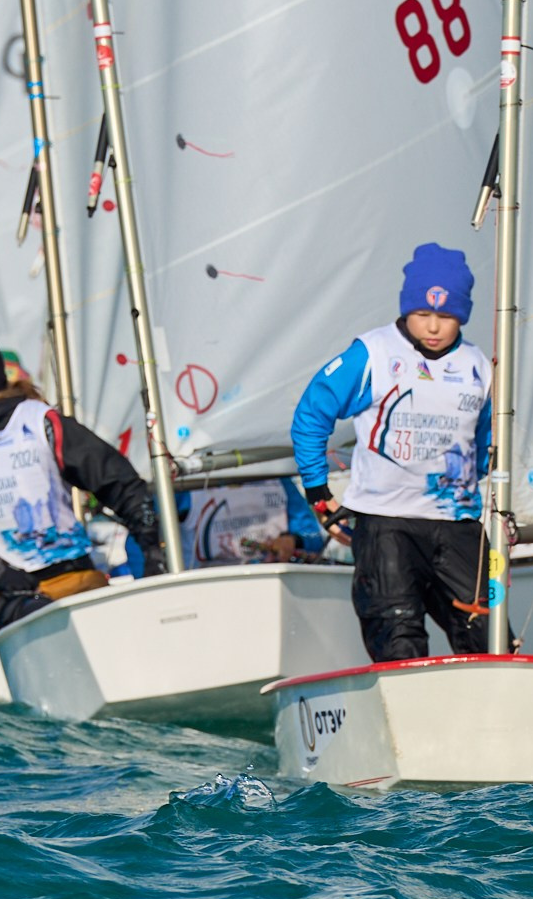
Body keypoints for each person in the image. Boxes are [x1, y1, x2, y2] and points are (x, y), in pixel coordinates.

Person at [290, 242, 497, 660]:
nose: (434, 327)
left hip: (455, 525)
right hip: (385, 524)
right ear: (406, 310)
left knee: (488, 637)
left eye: (446, 316)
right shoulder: (373, 353)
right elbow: (311, 414)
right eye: (423, 314)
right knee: (398, 636)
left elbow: (485, 442)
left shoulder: (480, 367)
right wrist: (318, 491)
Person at [0, 325, 163, 636]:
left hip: (73, 581)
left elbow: (116, 480)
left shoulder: (40, 423)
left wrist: (151, 546)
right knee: (35, 614)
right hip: (3, 598)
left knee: (69, 611)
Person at [177, 477, 328, 566]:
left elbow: (314, 537)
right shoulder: (187, 486)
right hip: (205, 591)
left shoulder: (278, 481)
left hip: (269, 586)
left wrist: (294, 541)